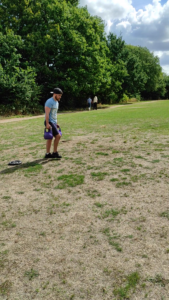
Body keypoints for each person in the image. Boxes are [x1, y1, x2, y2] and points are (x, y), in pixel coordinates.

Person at [44, 87, 63, 159]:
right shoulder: (49, 101)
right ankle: (55, 153)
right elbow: (47, 114)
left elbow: (55, 114)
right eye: (59, 95)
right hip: (49, 121)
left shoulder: (57, 102)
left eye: (60, 95)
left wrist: (56, 123)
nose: (60, 97)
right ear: (54, 94)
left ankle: (48, 154)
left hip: (53, 122)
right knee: (58, 136)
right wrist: (47, 124)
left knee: (50, 137)